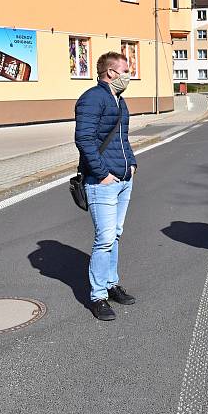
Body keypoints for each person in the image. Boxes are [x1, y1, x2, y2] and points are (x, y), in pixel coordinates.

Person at [75, 52, 138, 320]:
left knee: (115, 235)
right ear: (111, 73)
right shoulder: (93, 98)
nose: (129, 75)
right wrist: (102, 174)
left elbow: (122, 139)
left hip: (124, 179)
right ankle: (98, 296)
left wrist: (132, 164)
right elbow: (84, 139)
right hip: (103, 182)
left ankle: (111, 284)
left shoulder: (119, 100)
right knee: (104, 239)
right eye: (125, 70)